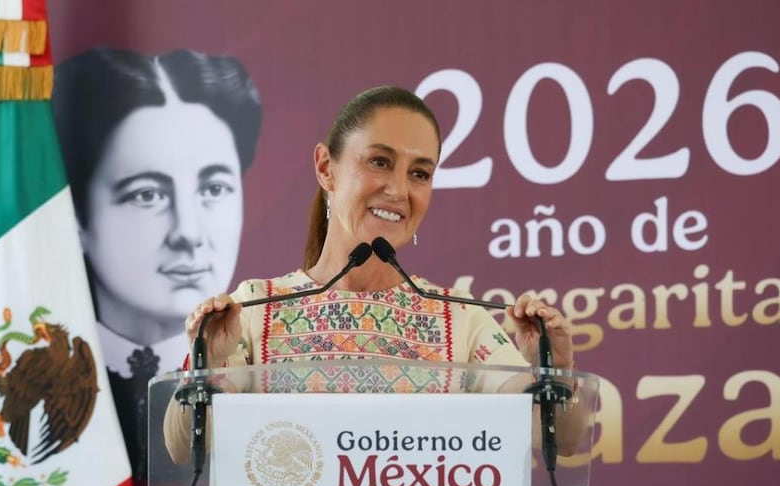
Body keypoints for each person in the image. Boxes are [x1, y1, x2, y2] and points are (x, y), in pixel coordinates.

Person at [164, 85, 587, 464]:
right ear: (325, 167)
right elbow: (184, 449)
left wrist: (555, 370)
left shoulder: (461, 321)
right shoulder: (254, 309)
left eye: (419, 173)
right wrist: (208, 361)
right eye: (380, 162)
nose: (399, 190)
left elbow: (558, 440)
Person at [52, 47, 262, 478]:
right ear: (76, 214)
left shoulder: (270, 376)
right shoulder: (37, 383)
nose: (188, 232)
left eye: (214, 189)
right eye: (148, 194)